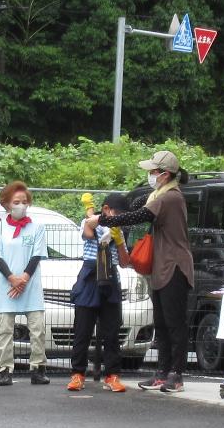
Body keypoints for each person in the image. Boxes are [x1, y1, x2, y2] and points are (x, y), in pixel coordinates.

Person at [102, 149, 195, 392]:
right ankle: (162, 372)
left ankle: (176, 374)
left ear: (165, 174)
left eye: (153, 171)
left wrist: (101, 220)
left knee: (175, 323)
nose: (150, 174)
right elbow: (138, 204)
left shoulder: (170, 198)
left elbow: (137, 216)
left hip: (175, 266)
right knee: (162, 322)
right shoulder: (159, 194)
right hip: (161, 267)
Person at [0, 182, 51, 387]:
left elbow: (37, 254)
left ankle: (38, 368)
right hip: (7, 286)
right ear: (6, 204)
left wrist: (23, 278)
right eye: (16, 202)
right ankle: (4, 370)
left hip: (30, 286)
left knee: (37, 328)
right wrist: (12, 278)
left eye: (24, 202)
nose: (21, 205)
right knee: (5, 329)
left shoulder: (37, 227)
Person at [69, 193, 129, 393]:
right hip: (89, 279)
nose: (120, 216)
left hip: (110, 280)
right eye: (117, 213)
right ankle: (78, 374)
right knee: (82, 331)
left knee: (111, 332)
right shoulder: (91, 222)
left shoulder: (119, 230)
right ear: (106, 209)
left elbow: (124, 262)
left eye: (122, 214)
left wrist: (119, 239)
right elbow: (87, 231)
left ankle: (112, 375)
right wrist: (98, 216)